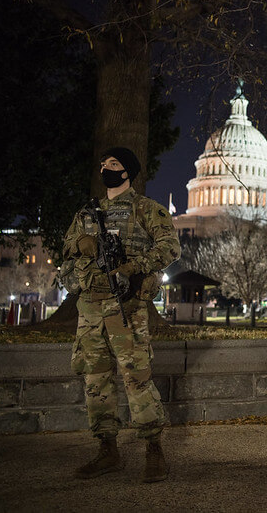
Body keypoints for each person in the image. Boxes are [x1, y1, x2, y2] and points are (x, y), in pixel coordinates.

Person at [62, 147, 181, 483]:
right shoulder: (86, 212)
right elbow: (66, 247)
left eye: (113, 164)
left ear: (128, 171)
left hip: (125, 305)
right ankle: (106, 450)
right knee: (95, 380)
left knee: (136, 377)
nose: (106, 168)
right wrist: (81, 242)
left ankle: (154, 450)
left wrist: (133, 266)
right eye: (103, 164)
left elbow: (170, 248)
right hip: (89, 307)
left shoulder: (146, 209)